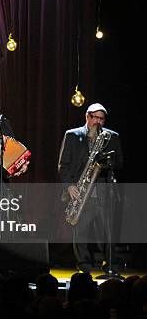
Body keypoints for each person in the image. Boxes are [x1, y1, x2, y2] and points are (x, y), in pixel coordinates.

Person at [58, 103, 123, 273]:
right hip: (81, 190)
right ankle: (84, 266)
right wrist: (69, 186)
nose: (98, 122)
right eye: (95, 118)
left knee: (107, 231)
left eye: (101, 119)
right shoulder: (72, 135)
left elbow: (120, 163)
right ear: (87, 117)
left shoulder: (112, 137)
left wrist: (107, 161)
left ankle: (110, 266)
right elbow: (63, 165)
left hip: (103, 191)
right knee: (81, 231)